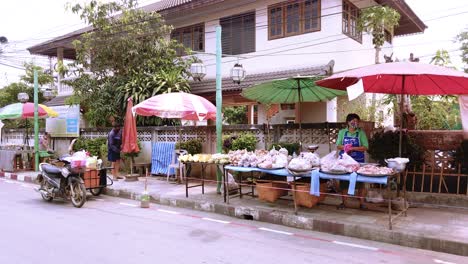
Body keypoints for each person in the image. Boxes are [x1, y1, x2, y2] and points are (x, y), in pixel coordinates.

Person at [336, 113, 369, 210]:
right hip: (345, 162)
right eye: (353, 121)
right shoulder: (342, 132)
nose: (355, 123)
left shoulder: (361, 133)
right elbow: (338, 145)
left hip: (358, 162)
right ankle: (344, 202)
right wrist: (346, 148)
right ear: (348, 122)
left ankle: (362, 203)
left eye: (356, 122)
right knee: (344, 182)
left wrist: (353, 148)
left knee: (360, 183)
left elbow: (365, 147)